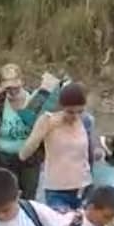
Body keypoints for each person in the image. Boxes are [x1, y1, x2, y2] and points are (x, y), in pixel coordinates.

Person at [0, 64, 57, 200]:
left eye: (15, 86)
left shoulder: (35, 101)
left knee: (28, 198)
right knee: (4, 197)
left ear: (22, 82)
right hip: (1, 159)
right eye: (8, 87)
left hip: (30, 160)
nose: (12, 90)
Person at [20, 82, 99, 212]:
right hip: (56, 190)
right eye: (70, 112)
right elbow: (24, 154)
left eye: (80, 111)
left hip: (84, 187)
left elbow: (91, 152)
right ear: (62, 107)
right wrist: (40, 132)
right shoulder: (48, 121)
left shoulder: (86, 121)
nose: (75, 116)